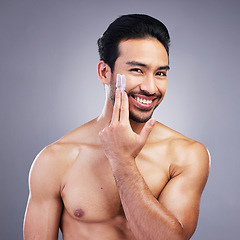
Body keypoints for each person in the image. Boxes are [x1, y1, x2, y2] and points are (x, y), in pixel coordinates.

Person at [23, 14, 210, 240]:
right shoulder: (56, 159)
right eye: (137, 70)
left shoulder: (186, 154)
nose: (151, 88)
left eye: (160, 73)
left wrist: (122, 160)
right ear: (105, 72)